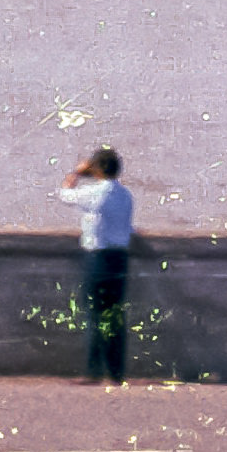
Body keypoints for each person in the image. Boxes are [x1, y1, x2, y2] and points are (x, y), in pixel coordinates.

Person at [64, 146, 137, 385]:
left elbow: (64, 194)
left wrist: (76, 172)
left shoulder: (96, 192)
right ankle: (116, 372)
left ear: (97, 168)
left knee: (95, 315)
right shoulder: (126, 195)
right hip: (120, 258)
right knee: (115, 316)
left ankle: (94, 371)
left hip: (98, 259)